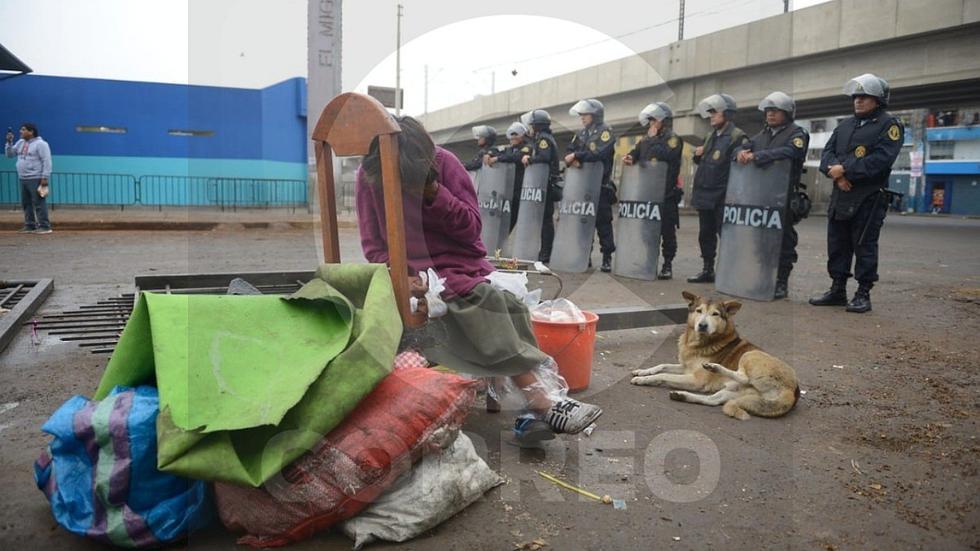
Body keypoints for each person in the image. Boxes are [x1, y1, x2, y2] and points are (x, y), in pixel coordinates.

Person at [356, 115, 602, 440]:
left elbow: (472, 231)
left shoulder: (444, 165)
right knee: (479, 304)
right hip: (406, 274)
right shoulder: (369, 175)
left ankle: (537, 403)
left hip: (458, 266)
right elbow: (373, 246)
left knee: (496, 303)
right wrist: (401, 272)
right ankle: (539, 401)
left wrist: (434, 193)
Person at [810, 73, 904, 313]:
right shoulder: (845, 125)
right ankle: (837, 289)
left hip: (869, 197)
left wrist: (847, 170)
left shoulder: (889, 125)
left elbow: (881, 160)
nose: (858, 101)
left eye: (864, 96)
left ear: (878, 100)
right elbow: (827, 156)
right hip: (841, 194)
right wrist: (839, 176)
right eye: (856, 97)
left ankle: (863, 294)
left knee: (864, 245)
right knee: (838, 244)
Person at [736, 91, 810, 299]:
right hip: (761, 195)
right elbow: (742, 148)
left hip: (783, 195)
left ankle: (781, 282)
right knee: (761, 240)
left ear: (787, 112)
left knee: (784, 241)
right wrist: (740, 153)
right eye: (768, 111)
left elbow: (791, 152)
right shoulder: (762, 135)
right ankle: (763, 279)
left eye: (775, 111)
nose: (770, 114)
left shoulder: (797, 133)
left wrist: (757, 156)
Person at [687, 94, 748, 283]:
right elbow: (704, 162)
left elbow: (740, 160)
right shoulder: (709, 136)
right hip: (705, 193)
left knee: (727, 235)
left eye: (715, 112)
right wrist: (697, 155)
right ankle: (708, 269)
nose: (711, 116)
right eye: (710, 112)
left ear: (727, 114)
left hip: (723, 195)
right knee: (705, 234)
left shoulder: (737, 136)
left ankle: (732, 271)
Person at [622, 102, 684, 280]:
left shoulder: (673, 139)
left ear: (663, 121)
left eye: (653, 121)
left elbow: (665, 154)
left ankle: (667, 264)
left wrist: (653, 139)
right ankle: (648, 261)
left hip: (666, 193)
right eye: (649, 121)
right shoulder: (646, 139)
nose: (650, 124)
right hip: (647, 193)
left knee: (667, 231)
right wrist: (630, 157)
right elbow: (636, 152)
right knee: (647, 231)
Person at [566, 98, 616, 272]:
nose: (582, 118)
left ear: (595, 115)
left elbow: (599, 152)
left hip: (601, 185)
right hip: (583, 185)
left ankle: (607, 257)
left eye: (585, 114)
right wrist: (573, 158)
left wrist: (577, 156)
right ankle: (584, 255)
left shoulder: (605, 131)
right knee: (582, 223)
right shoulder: (581, 133)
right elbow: (569, 150)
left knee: (603, 223)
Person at [519, 109, 561, 263]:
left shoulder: (544, 139)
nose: (530, 127)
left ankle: (546, 253)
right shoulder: (542, 137)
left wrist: (530, 159)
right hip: (544, 184)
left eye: (532, 125)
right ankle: (544, 251)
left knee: (546, 220)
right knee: (544, 220)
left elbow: (544, 157)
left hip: (547, 185)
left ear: (537, 125)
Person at [5, 123, 53, 234]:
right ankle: (30, 225)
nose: (20, 132)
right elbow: (10, 154)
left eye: (23, 129)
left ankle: (45, 226)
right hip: (23, 177)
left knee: (38, 202)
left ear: (31, 132)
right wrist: (9, 142)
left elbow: (47, 161)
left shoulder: (41, 144)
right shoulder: (21, 143)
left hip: (35, 177)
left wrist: (45, 177)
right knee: (26, 203)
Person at [489, 121, 533, 232]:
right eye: (511, 136)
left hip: (520, 189)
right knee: (503, 220)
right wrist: (490, 154)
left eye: (516, 135)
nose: (513, 138)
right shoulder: (509, 149)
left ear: (522, 135)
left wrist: (498, 159)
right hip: (508, 190)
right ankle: (498, 245)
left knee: (515, 220)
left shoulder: (527, 147)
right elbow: (498, 152)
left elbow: (516, 157)